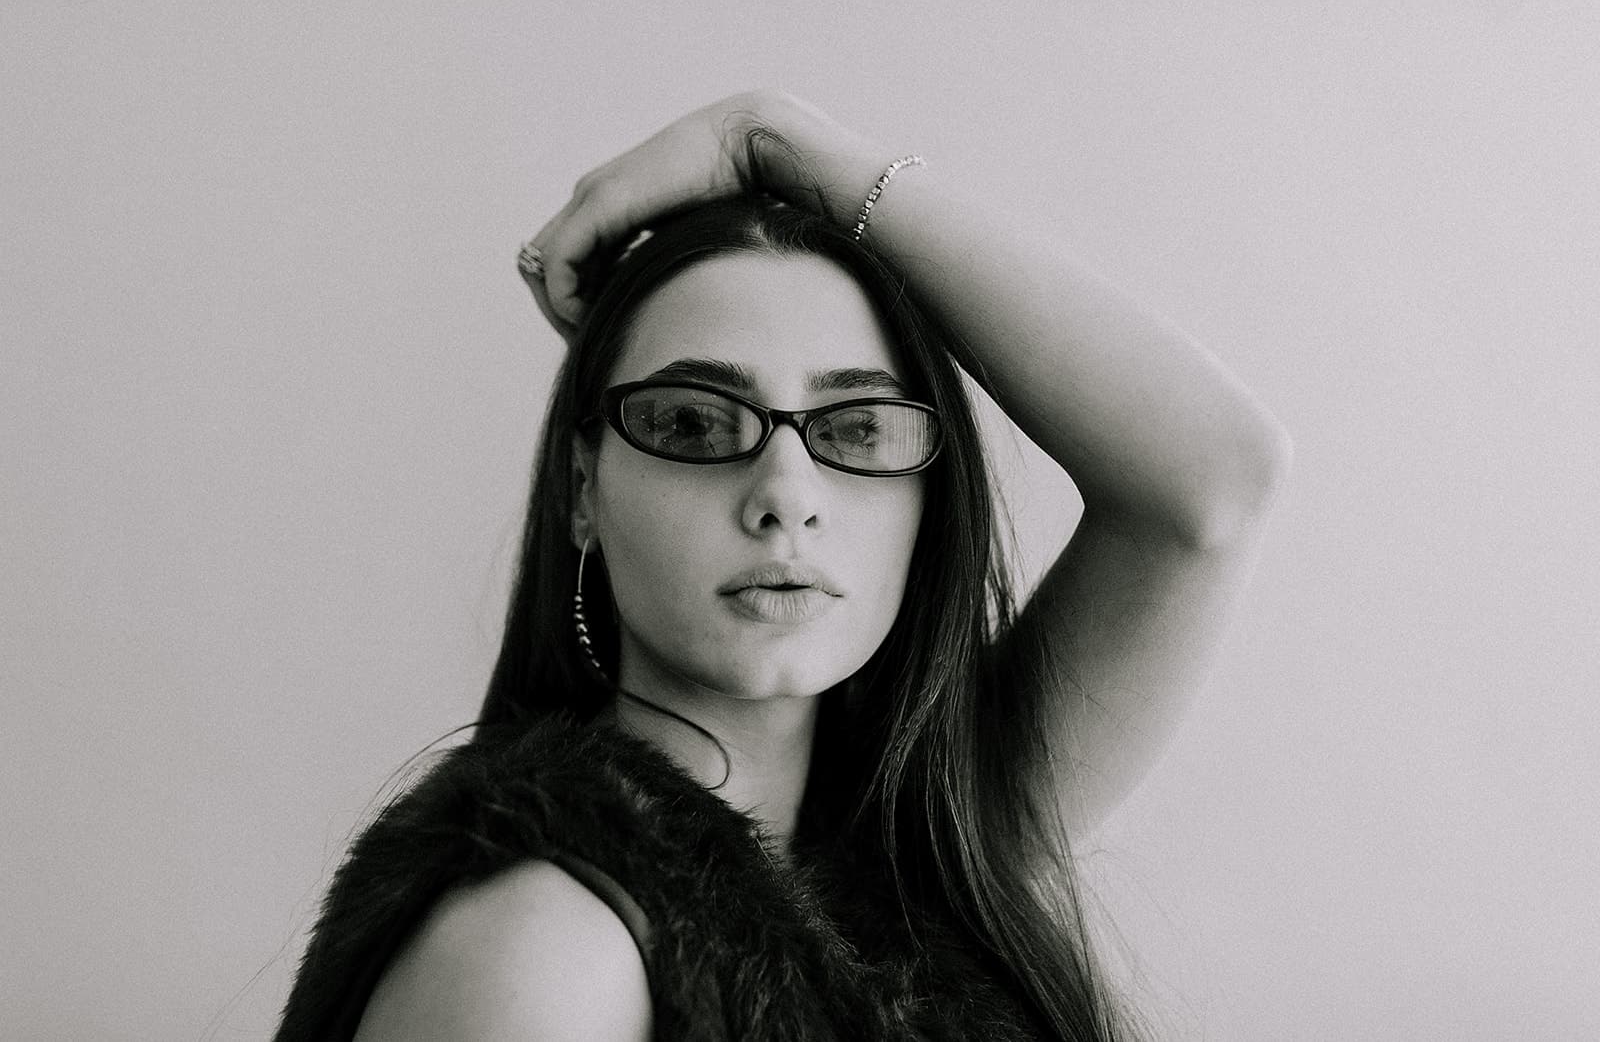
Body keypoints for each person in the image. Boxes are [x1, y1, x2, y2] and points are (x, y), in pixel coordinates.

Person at [274, 90, 1291, 1041]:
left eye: (855, 427)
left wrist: (778, 135)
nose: (785, 494)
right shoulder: (544, 943)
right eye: (691, 420)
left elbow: (1206, 480)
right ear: (584, 489)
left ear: (924, 503)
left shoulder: (930, 845)